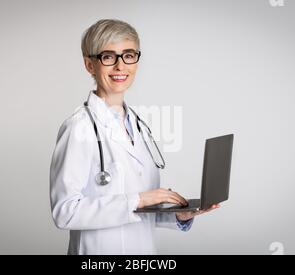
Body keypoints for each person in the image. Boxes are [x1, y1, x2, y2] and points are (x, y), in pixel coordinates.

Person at [49, 19, 219, 255]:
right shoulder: (78, 127)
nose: (120, 66)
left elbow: (138, 211)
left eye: (128, 55)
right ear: (90, 65)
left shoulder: (137, 125)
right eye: (108, 57)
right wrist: (138, 199)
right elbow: (65, 212)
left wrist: (179, 215)